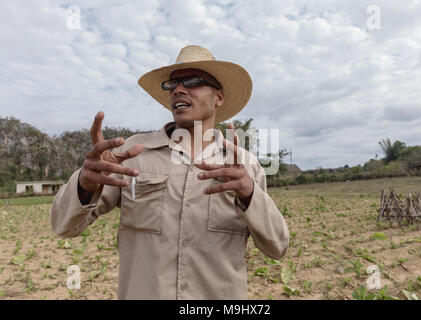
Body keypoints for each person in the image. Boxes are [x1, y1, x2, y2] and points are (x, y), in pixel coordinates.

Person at [51, 45, 289, 299]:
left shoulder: (245, 166)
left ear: (218, 97)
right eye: (173, 84)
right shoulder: (132, 154)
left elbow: (277, 247)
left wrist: (249, 194)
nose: (178, 90)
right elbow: (63, 227)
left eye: (192, 81)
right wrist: (84, 185)